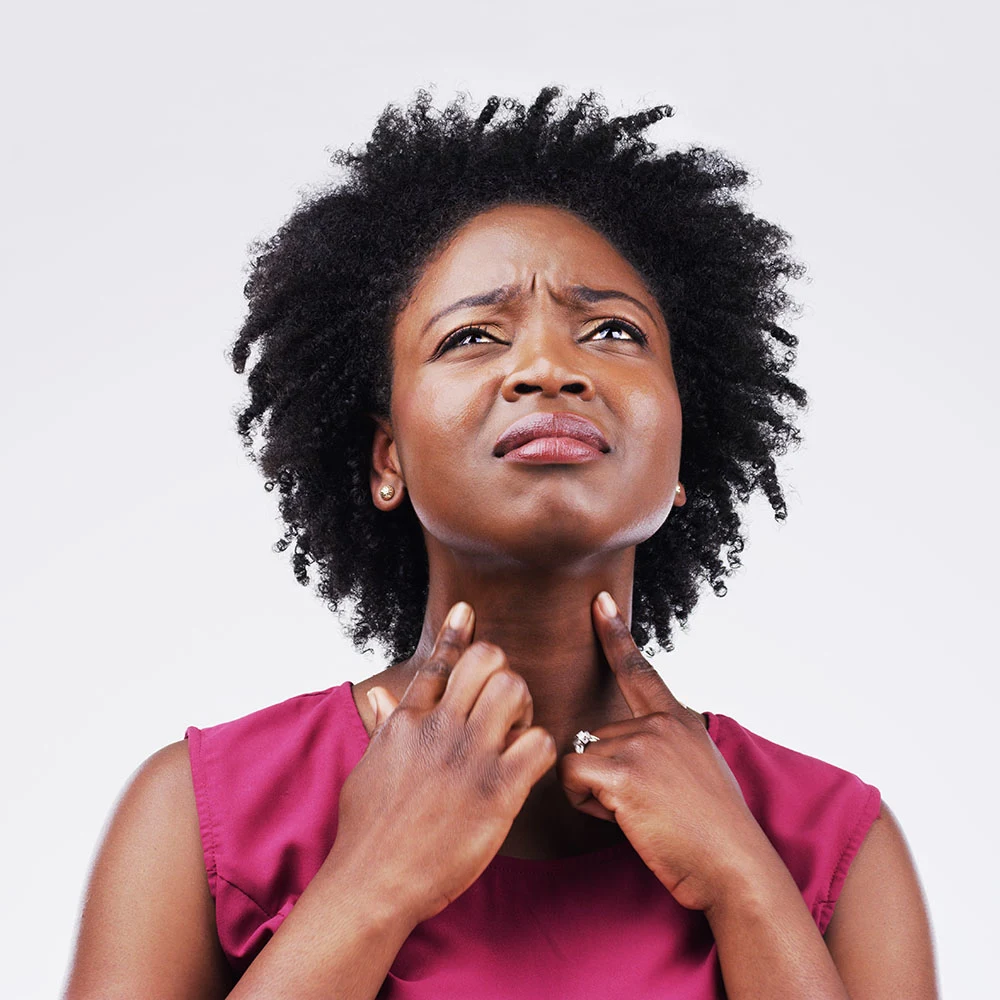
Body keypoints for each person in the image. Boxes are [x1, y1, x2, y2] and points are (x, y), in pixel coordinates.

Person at [63, 88, 938, 999]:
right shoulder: (203, 817)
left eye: (613, 331)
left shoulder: (831, 844)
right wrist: (372, 882)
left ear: (686, 454)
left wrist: (746, 884)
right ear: (387, 457)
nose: (549, 367)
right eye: (473, 335)